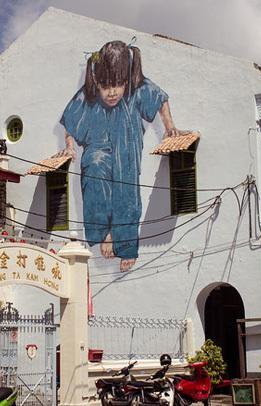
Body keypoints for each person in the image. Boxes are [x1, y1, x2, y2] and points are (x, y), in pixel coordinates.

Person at [60, 40, 181, 272]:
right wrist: (69, 146)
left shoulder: (138, 88)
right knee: (94, 170)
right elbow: (70, 118)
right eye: (106, 86)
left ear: (127, 79)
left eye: (119, 85)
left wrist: (169, 126)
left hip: (127, 150)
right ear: (97, 81)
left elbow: (160, 99)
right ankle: (104, 233)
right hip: (97, 147)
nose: (112, 92)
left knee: (126, 193)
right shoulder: (89, 94)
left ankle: (125, 245)